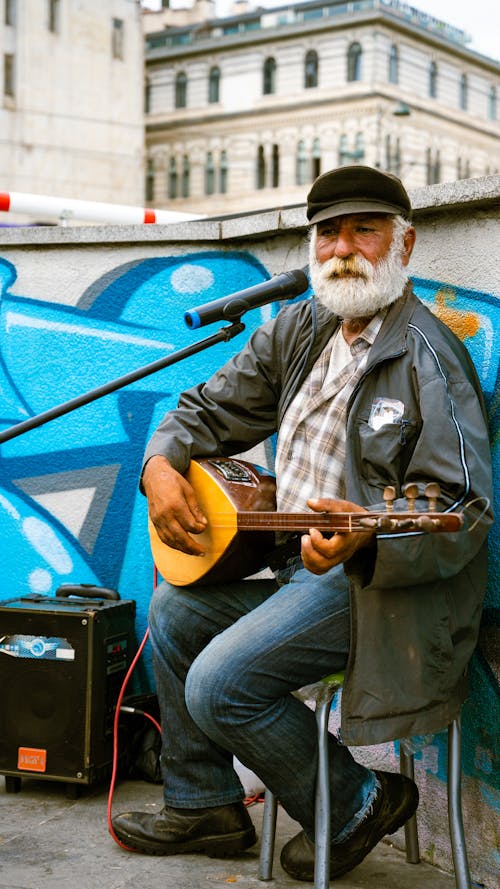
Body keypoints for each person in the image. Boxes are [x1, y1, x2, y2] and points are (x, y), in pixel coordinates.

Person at [112, 165, 493, 881]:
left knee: (220, 682)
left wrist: (369, 533)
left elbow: (462, 509)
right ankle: (204, 803)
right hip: (303, 573)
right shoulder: (304, 324)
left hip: (384, 590)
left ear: (403, 245)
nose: (342, 247)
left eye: (364, 230)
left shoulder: (428, 354)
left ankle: (356, 799)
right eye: (327, 233)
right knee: (175, 611)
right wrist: (159, 463)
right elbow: (207, 407)